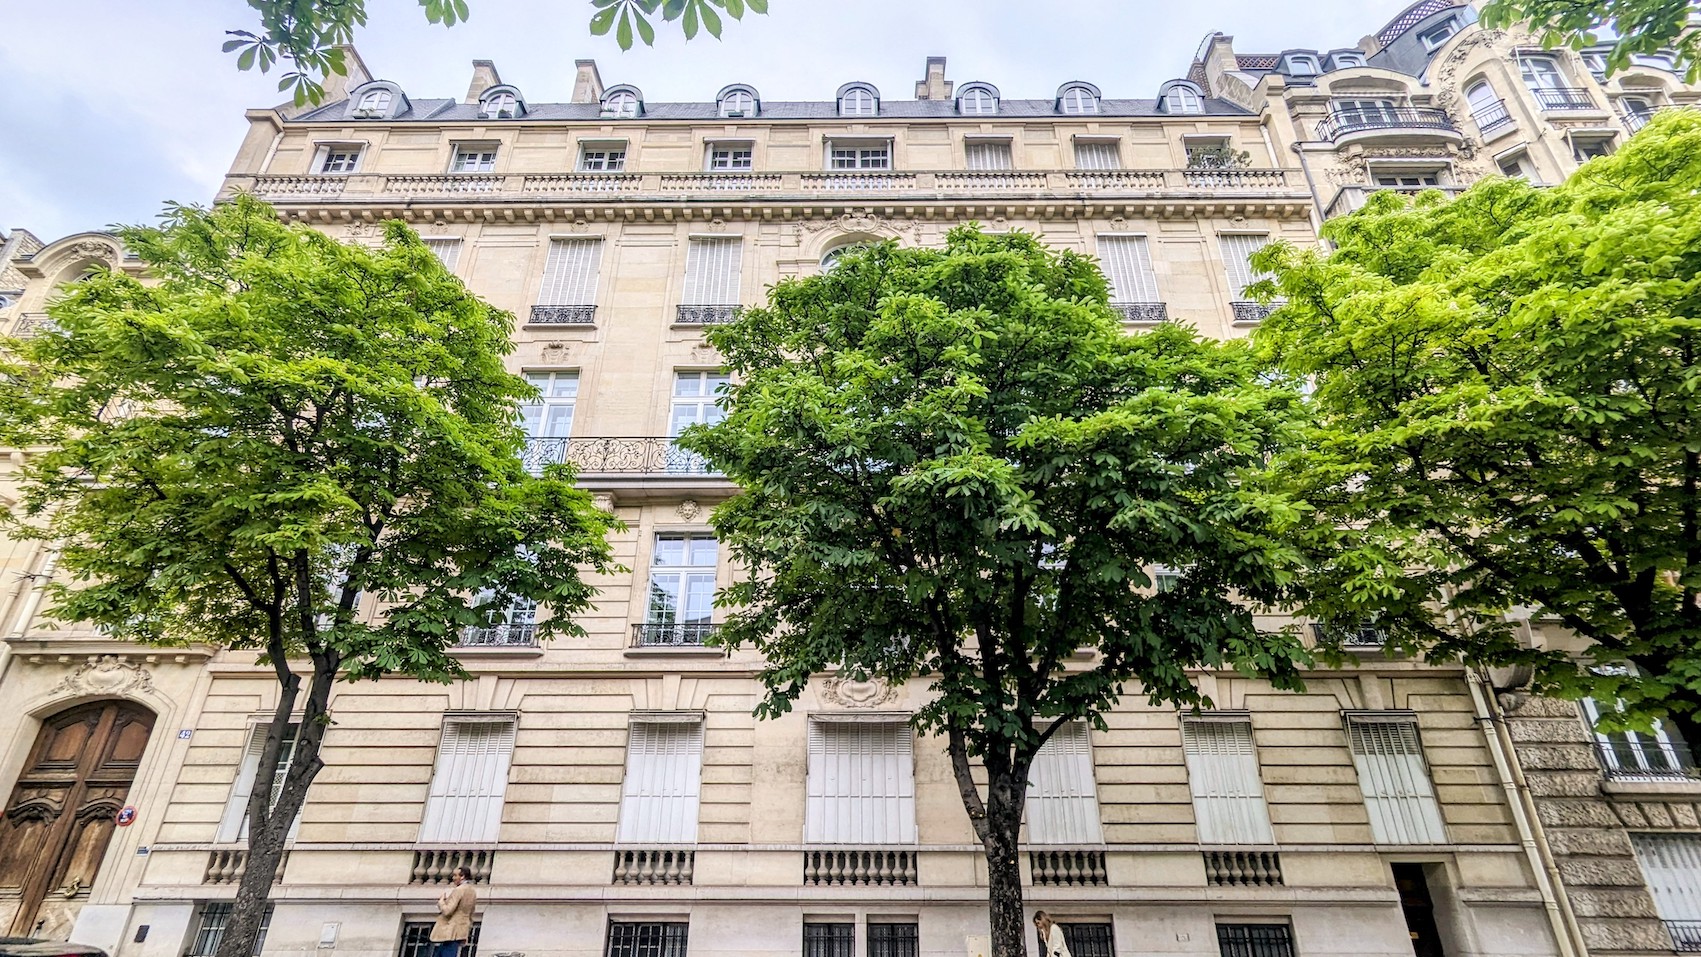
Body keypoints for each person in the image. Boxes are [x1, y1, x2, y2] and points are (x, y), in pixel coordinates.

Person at [430, 865, 477, 957]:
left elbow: (447, 911)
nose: (453, 878)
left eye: (455, 875)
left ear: (462, 876)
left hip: (451, 929)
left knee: (446, 952)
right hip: (461, 929)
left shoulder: (459, 890)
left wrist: (441, 902)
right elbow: (471, 912)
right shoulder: (472, 891)